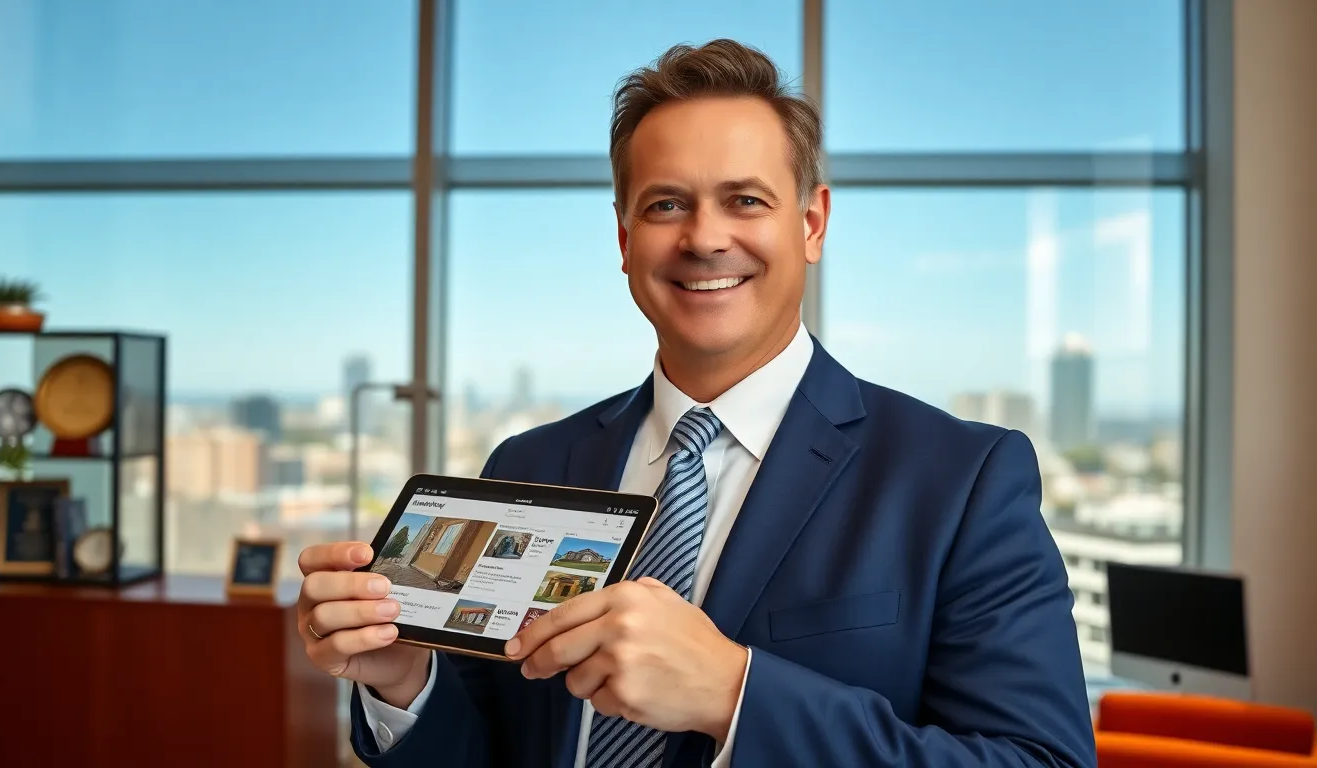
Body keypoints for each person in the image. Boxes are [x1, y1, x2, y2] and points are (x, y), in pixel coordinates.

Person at [295, 39, 1097, 768]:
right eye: (666, 204)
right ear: (623, 238)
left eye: (746, 200)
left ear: (812, 222)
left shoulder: (961, 481)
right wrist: (403, 681)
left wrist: (735, 697)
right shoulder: (531, 464)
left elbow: (1041, 761)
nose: (705, 239)